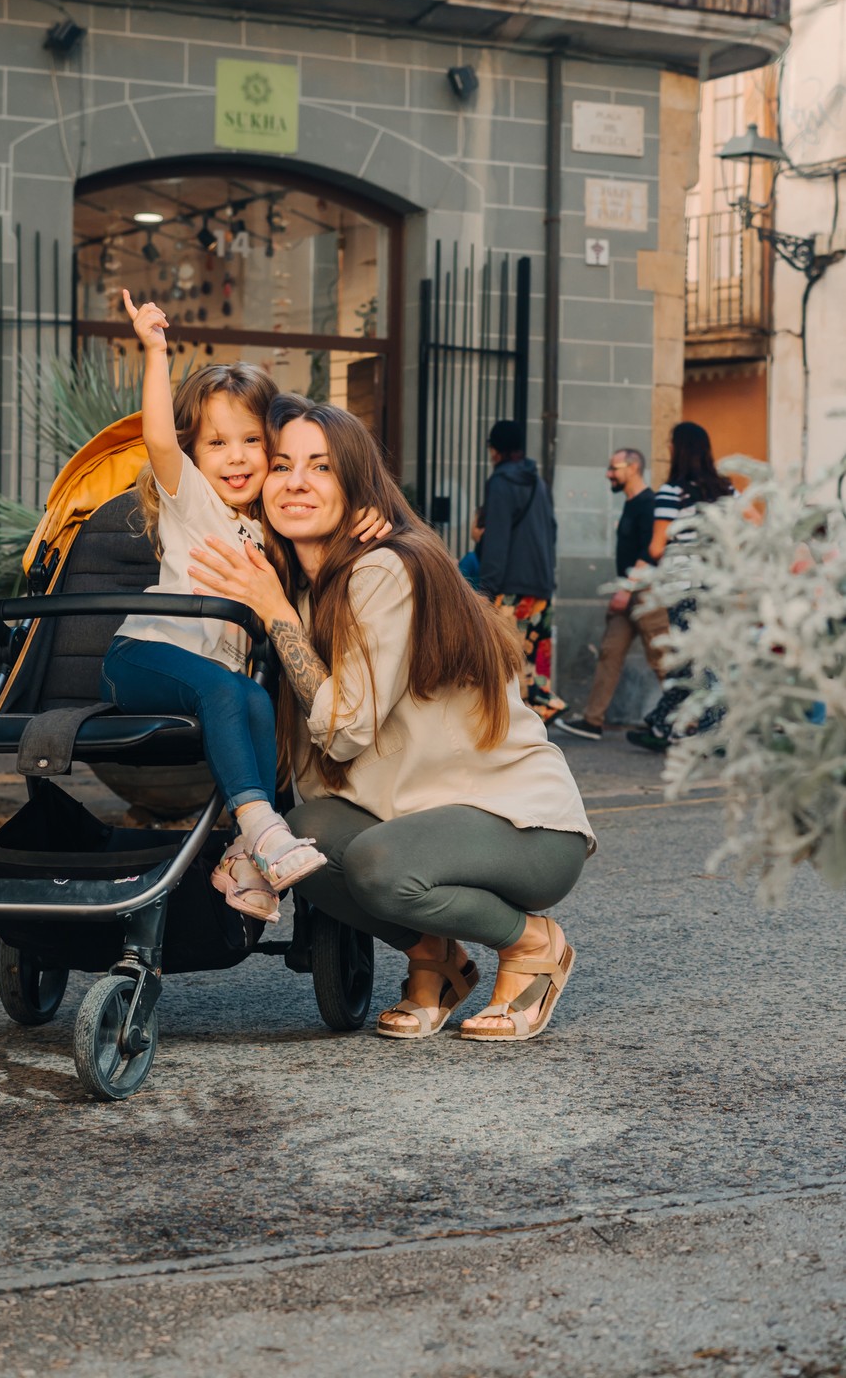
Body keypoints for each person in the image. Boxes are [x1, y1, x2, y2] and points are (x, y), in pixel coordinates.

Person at [188, 397, 596, 1042]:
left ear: (356, 485)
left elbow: (344, 728)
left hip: (521, 827)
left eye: (321, 467)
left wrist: (276, 615)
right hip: (415, 824)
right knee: (299, 846)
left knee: (380, 866)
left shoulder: (384, 568)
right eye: (284, 464)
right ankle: (437, 958)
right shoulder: (297, 583)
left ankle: (532, 945)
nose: (296, 481)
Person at [101, 290, 336, 925]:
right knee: (233, 693)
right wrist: (155, 352)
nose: (235, 457)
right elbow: (156, 439)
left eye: (251, 441)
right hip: (144, 659)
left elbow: (332, 512)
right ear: (195, 455)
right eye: (216, 443)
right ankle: (261, 831)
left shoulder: (274, 527)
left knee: (253, 698)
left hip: (212, 684)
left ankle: (241, 857)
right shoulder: (194, 502)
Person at [626, 421, 734, 753]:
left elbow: (658, 546)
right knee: (702, 658)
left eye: (671, 444)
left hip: (686, 589)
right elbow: (751, 525)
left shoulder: (671, 493)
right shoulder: (727, 491)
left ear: (680, 449)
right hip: (718, 587)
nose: (668, 448)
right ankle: (662, 722)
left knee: (696, 660)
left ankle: (712, 730)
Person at [556, 448, 669, 740]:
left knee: (662, 659)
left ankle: (685, 724)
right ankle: (593, 721)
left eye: (613, 468)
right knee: (610, 652)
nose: (608, 474)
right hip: (628, 591)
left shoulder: (649, 503)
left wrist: (626, 588)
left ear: (632, 468)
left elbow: (652, 552)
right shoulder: (631, 504)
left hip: (646, 593)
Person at [477, 420, 566, 725]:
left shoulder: (501, 482)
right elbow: (552, 530)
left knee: (506, 659)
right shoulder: (538, 482)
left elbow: (498, 538)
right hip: (540, 584)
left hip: (512, 586)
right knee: (535, 660)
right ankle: (541, 709)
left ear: (495, 449)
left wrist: (485, 591)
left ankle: (516, 725)